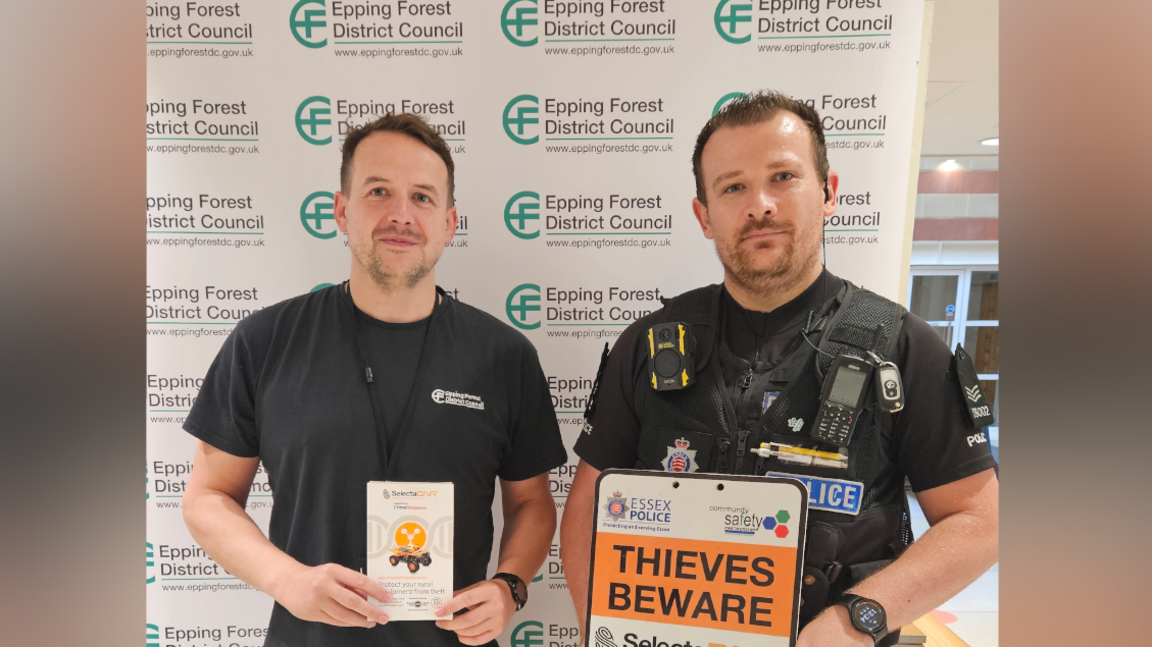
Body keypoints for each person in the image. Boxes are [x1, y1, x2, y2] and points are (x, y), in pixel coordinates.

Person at [559, 91, 998, 647]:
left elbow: (981, 520)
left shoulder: (902, 348)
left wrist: (855, 620)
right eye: (733, 186)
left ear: (828, 192)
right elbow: (587, 506)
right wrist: (600, 630)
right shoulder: (649, 344)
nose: (759, 204)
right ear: (704, 215)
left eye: (784, 177)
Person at [182, 113, 567, 647]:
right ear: (341, 210)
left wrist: (509, 585)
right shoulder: (265, 342)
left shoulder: (504, 357)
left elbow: (531, 502)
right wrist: (287, 580)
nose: (401, 215)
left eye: (423, 198)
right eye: (379, 191)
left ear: (450, 223)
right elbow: (207, 496)